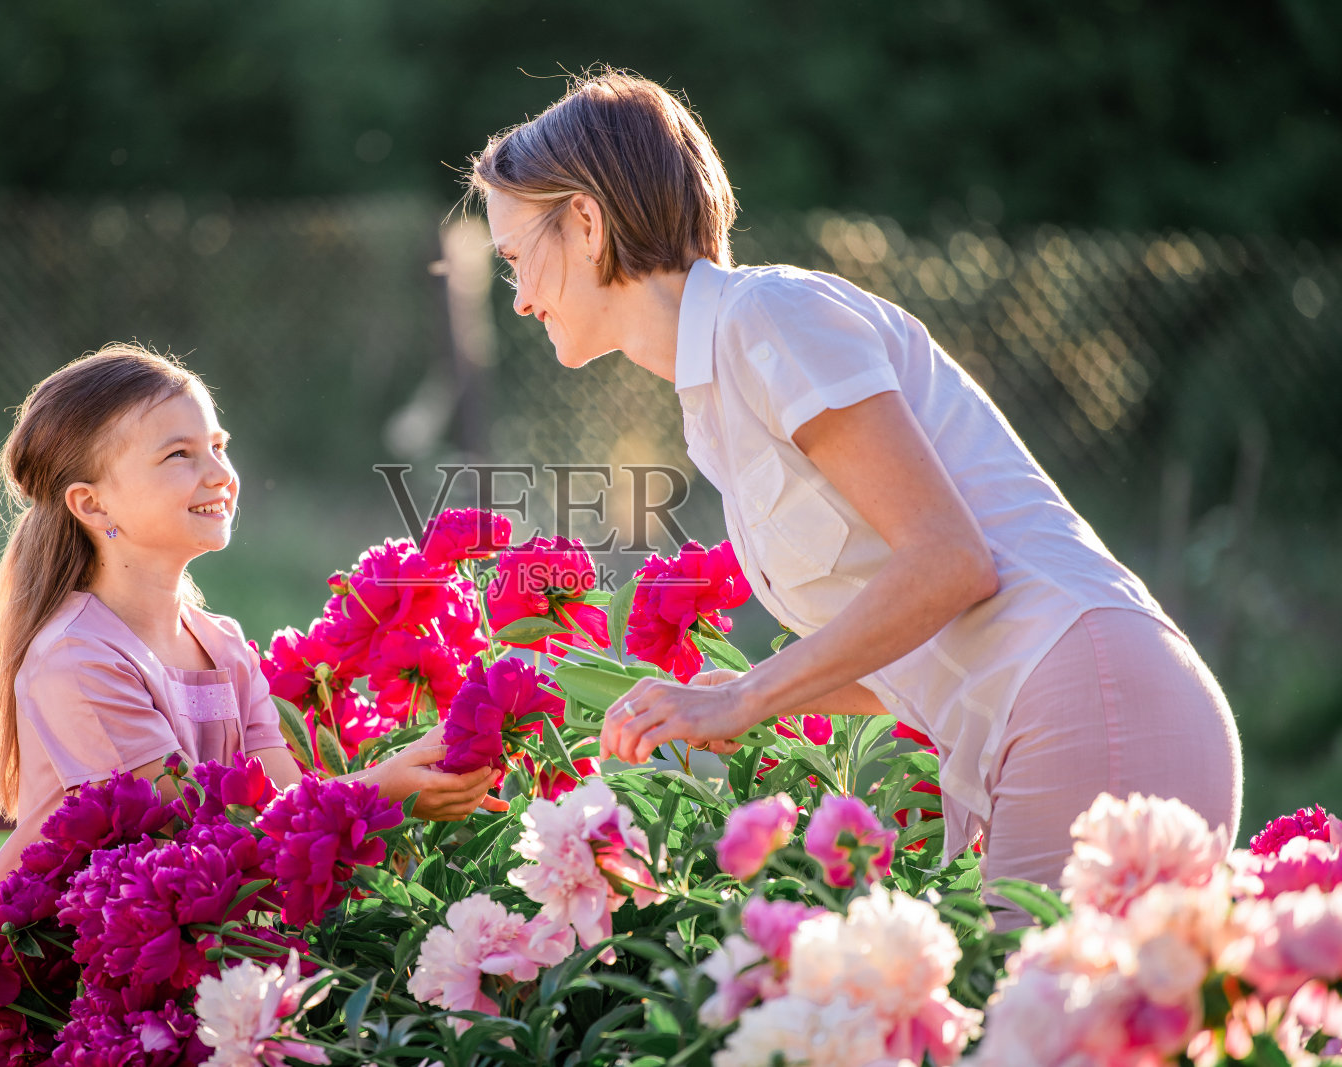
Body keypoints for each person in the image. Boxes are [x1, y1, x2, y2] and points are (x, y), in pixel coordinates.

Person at [465, 71, 1242, 898]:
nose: (517, 300)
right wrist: (738, 694)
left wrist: (746, 698)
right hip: (1071, 709)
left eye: (516, 258)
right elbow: (917, 633)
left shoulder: (768, 317)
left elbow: (950, 562)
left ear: (585, 222)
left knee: (1041, 1024)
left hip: (1087, 701)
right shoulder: (718, 390)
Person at [0, 343, 502, 898]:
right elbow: (186, 839)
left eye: (218, 446)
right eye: (180, 455)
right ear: (93, 505)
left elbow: (283, 806)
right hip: (86, 964)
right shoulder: (78, 659)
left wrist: (413, 768)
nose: (221, 473)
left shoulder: (222, 645)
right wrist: (382, 790)